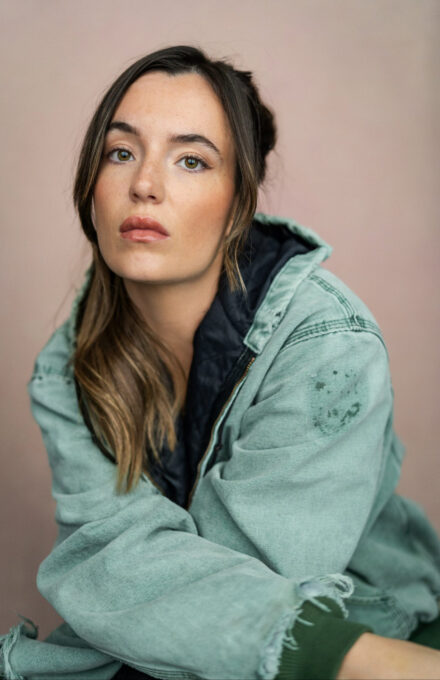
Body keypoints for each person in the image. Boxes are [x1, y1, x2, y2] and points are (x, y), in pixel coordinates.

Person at [1, 44, 440, 680]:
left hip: (360, 636)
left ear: (239, 204)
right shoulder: (70, 367)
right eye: (121, 153)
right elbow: (107, 562)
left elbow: (249, 585)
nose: (144, 184)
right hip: (185, 648)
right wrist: (125, 596)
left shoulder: (326, 344)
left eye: (191, 160)